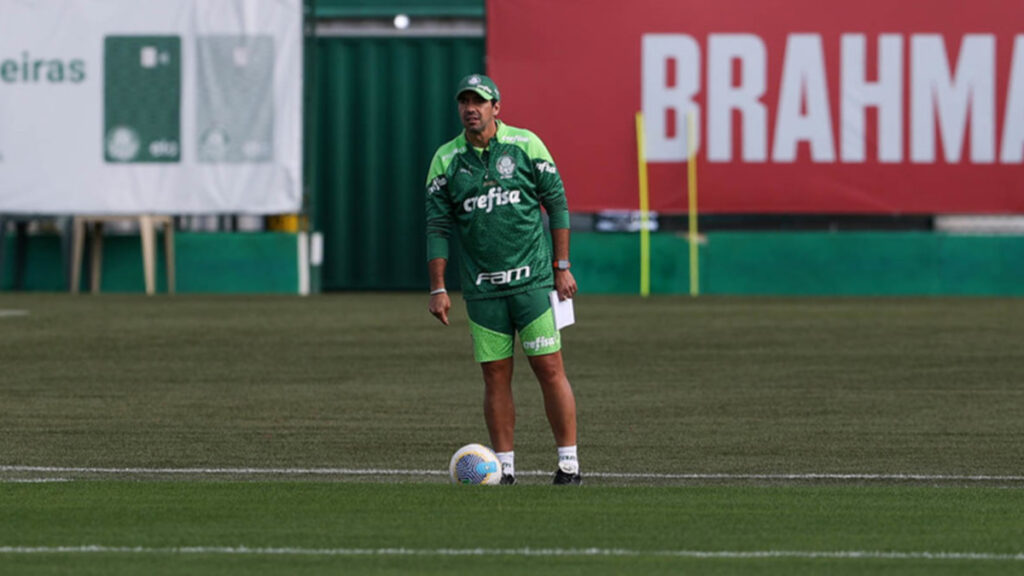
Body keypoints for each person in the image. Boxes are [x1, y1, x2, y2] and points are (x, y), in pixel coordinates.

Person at [425, 74, 581, 485]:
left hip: (534, 284)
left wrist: (562, 266)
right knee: (494, 376)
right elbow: (438, 226)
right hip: (483, 290)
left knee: (550, 369)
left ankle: (568, 463)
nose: (470, 108)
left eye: (479, 101)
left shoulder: (527, 145)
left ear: (497, 107)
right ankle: (503, 468)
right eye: (464, 102)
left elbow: (557, 204)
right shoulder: (446, 160)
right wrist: (438, 288)